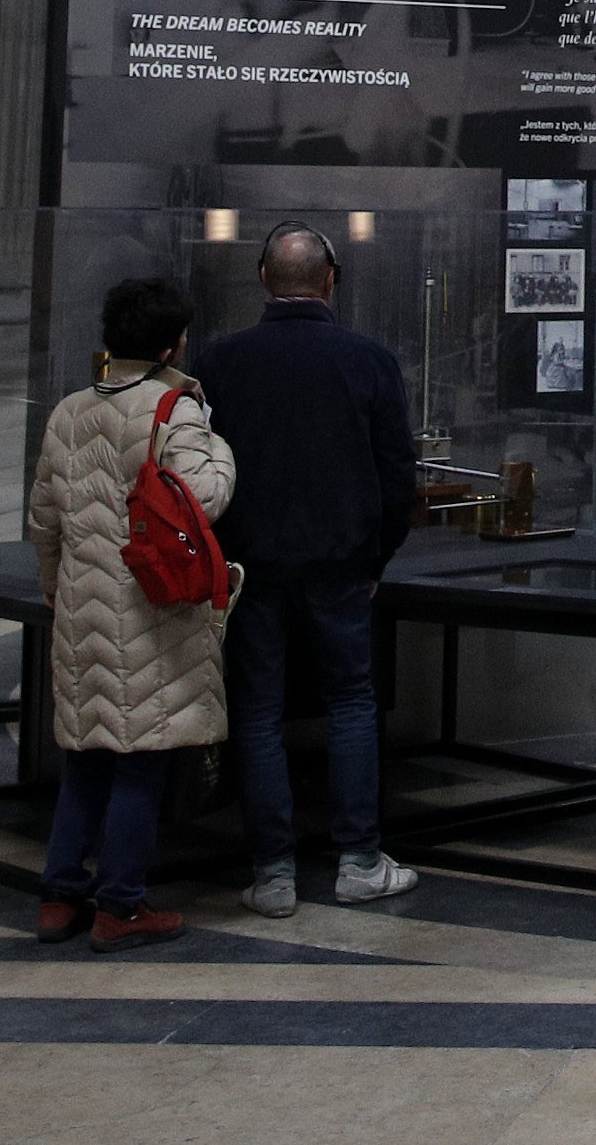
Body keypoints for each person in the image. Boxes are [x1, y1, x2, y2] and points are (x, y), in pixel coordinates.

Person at [191, 226, 425, 917]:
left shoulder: (222, 363)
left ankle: (272, 873)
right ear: (331, 279)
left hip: (250, 568)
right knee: (352, 702)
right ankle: (358, 860)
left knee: (257, 712)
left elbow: (201, 474)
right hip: (343, 566)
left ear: (264, 277)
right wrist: (377, 556)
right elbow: (396, 476)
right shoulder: (368, 360)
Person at [26, 274, 238, 949]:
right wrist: (220, 443)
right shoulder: (174, 408)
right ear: (176, 342)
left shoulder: (67, 412)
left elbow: (44, 519)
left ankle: (60, 896)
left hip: (81, 605)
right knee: (141, 757)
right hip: (151, 609)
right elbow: (203, 496)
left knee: (86, 755)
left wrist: (55, 583)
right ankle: (121, 904)